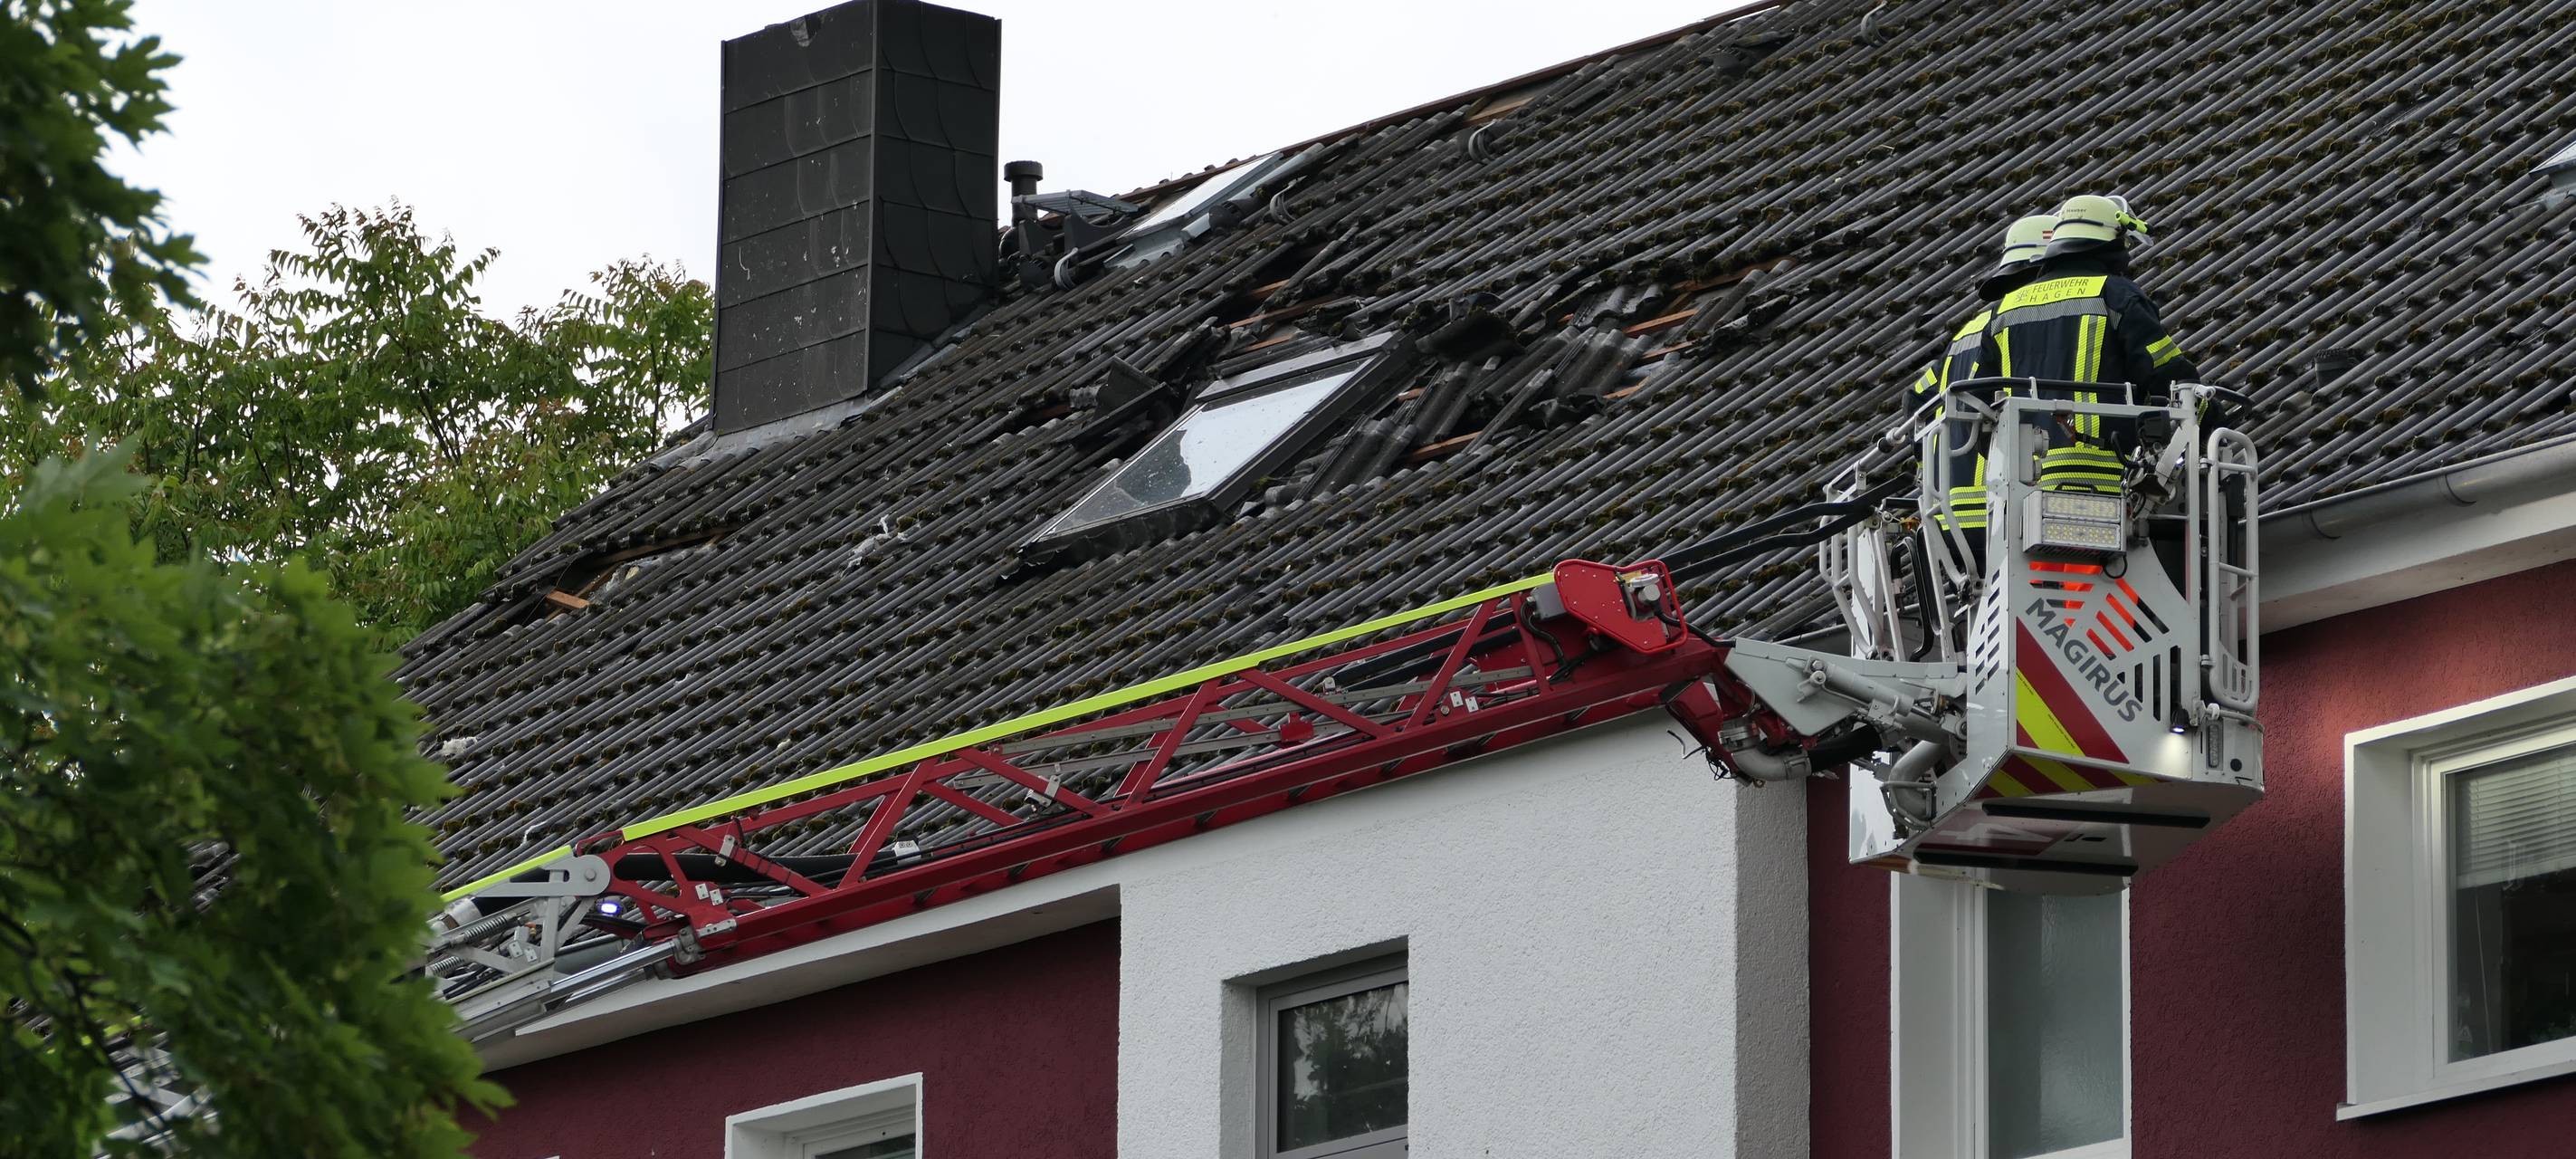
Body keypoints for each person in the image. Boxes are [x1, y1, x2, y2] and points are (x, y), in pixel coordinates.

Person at [1977, 194, 2201, 493]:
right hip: (2102, 480)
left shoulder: (2003, 311)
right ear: (2111, 243)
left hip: (2021, 484)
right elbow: (2167, 373)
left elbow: (1977, 404)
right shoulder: (2116, 295)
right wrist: (2211, 421)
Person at [1912, 213, 2056, 554]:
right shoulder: (2028, 328)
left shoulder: (1963, 336)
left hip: (1948, 522)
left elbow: (1917, 400)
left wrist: (1928, 470)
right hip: (2006, 514)